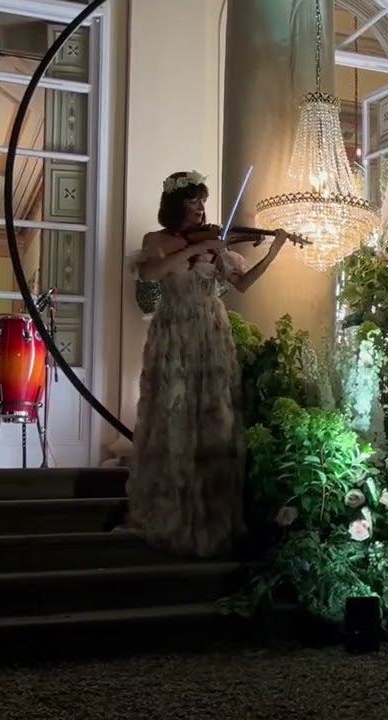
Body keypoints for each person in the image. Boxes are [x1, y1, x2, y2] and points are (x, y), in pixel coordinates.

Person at [125, 170, 286, 558]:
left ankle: (210, 517)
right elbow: (151, 273)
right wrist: (200, 247)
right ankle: (171, 512)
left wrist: (274, 251)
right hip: (174, 333)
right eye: (193, 201)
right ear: (175, 205)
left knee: (214, 418)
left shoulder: (216, 248)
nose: (200, 208)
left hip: (211, 333)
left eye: (202, 201)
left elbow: (242, 283)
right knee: (173, 416)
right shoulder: (157, 241)